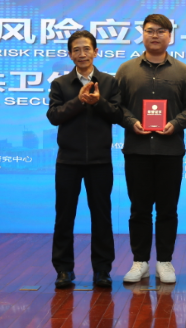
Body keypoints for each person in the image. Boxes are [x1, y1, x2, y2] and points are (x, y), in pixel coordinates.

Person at [115, 14, 186, 284]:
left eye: (161, 31)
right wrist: (131, 122)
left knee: (167, 209)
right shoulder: (126, 69)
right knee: (139, 209)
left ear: (170, 36)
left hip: (170, 150)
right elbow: (116, 106)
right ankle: (139, 261)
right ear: (142, 34)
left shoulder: (182, 71)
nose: (155, 35)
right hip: (137, 150)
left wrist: (176, 123)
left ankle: (165, 261)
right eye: (150, 30)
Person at [46, 30, 124, 288]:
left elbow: (117, 115)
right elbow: (54, 116)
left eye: (87, 49)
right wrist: (79, 101)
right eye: (76, 50)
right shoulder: (60, 84)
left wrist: (98, 102)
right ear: (70, 54)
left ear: (96, 52)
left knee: (102, 216)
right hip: (68, 161)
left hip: (100, 161)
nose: (82, 54)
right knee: (64, 216)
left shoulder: (109, 82)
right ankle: (64, 270)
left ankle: (102, 270)